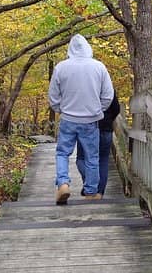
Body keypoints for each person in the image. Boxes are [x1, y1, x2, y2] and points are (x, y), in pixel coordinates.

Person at [48, 34, 114, 204]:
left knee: (63, 153)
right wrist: (97, 110)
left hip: (68, 118)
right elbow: (108, 96)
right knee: (92, 156)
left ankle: (63, 183)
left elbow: (53, 97)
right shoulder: (99, 67)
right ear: (87, 48)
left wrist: (60, 109)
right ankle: (91, 191)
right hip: (90, 120)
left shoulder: (61, 67)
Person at [76, 90, 120, 198]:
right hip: (106, 129)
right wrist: (109, 120)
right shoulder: (108, 88)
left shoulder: (84, 86)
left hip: (87, 128)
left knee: (81, 158)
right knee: (103, 160)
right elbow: (116, 109)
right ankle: (99, 192)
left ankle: (90, 182)